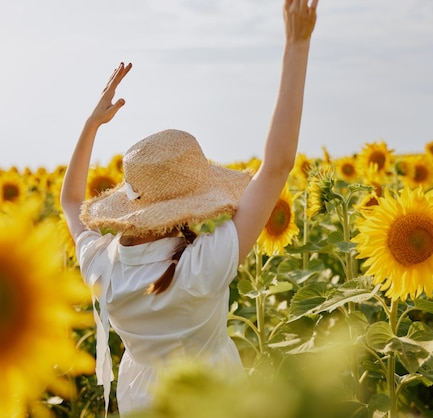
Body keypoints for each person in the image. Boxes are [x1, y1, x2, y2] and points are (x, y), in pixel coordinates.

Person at [60, 0, 318, 416]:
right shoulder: (201, 265)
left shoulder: (102, 266)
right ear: (189, 203)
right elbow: (277, 167)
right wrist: (297, 45)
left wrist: (92, 124)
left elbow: (70, 201)